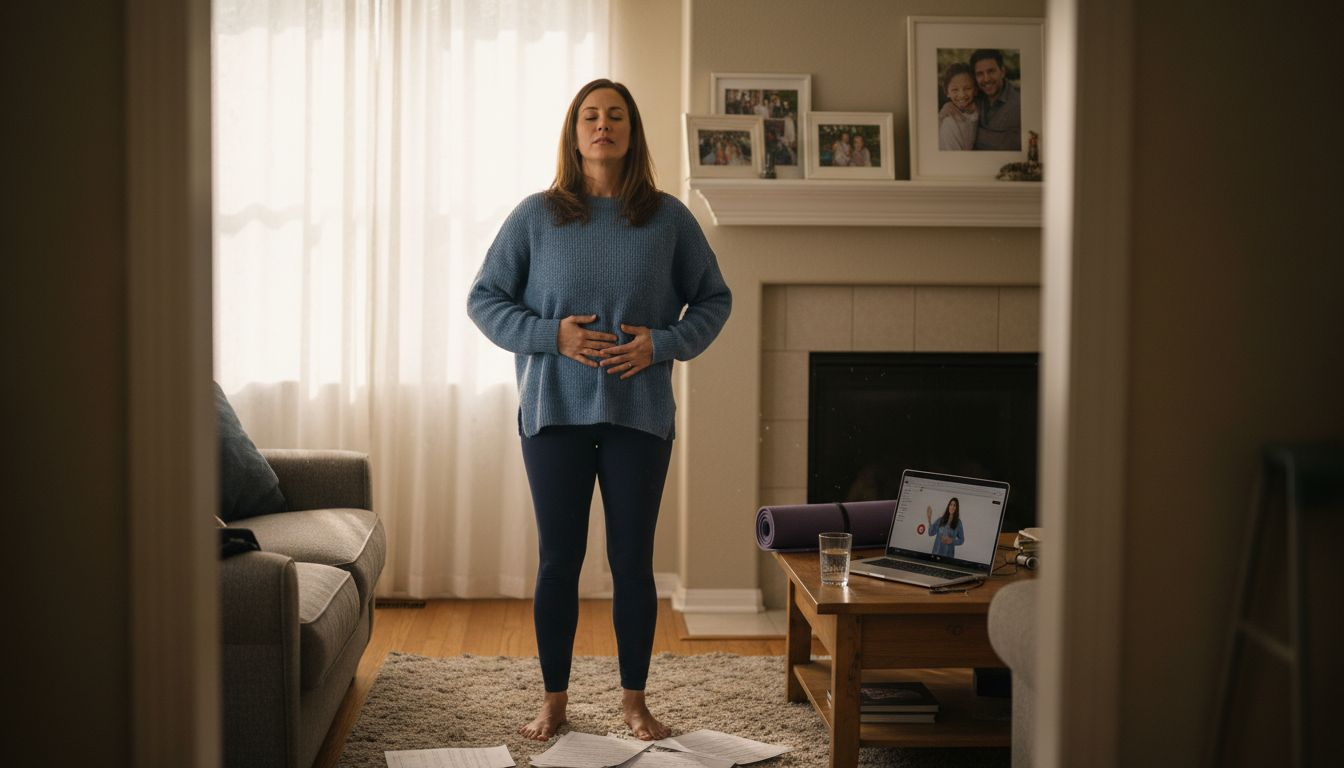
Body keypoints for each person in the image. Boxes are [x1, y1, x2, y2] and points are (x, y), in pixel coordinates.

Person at [467, 78, 732, 743]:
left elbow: (713, 300)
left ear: (632, 132)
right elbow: (485, 299)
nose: (602, 124)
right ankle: (554, 700)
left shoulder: (668, 218)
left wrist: (662, 344)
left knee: (632, 561)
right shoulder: (537, 215)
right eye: (590, 115)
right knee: (559, 560)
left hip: (638, 415)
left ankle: (634, 701)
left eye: (615, 115)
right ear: (573, 130)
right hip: (553, 411)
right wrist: (551, 335)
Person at [970, 49, 1021, 151]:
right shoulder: (973, 99)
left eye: (991, 71)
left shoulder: (1019, 105)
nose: (986, 79)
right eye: (980, 74)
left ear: (1002, 72)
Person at [937, 62, 979, 151]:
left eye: (967, 88)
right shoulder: (949, 121)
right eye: (955, 89)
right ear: (947, 92)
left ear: (975, 90)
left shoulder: (978, 110)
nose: (962, 95)